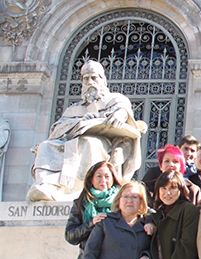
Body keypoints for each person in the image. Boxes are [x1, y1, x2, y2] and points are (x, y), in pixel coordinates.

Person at [27, 60, 144, 201]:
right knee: (45, 147)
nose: (90, 82)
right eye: (86, 78)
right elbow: (57, 130)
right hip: (71, 141)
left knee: (89, 143)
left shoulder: (115, 99)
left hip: (105, 142)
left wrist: (119, 115)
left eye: (94, 77)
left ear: (103, 80)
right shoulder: (74, 108)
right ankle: (47, 187)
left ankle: (79, 192)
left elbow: (123, 111)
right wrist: (80, 123)